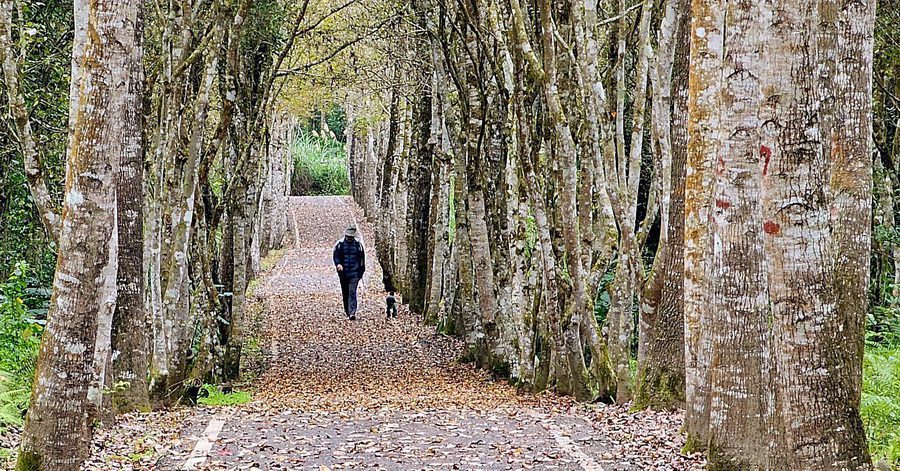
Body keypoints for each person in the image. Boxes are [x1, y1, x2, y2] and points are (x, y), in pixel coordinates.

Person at [333, 224, 366, 320]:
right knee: (345, 292)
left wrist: (361, 272)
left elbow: (362, 260)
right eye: (348, 236)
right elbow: (336, 256)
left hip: (354, 273)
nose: (350, 238)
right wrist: (338, 264)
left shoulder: (358, 245)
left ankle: (352, 312)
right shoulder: (340, 244)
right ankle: (347, 311)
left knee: (352, 291)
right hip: (343, 273)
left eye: (351, 237)